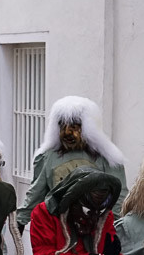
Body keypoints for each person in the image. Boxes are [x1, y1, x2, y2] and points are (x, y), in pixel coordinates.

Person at [17, 96, 128, 230]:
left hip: (95, 230)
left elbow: (118, 197)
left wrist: (115, 230)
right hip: (58, 230)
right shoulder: (48, 158)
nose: (67, 132)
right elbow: (36, 192)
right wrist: (20, 220)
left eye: (74, 127)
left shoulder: (107, 158)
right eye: (63, 126)